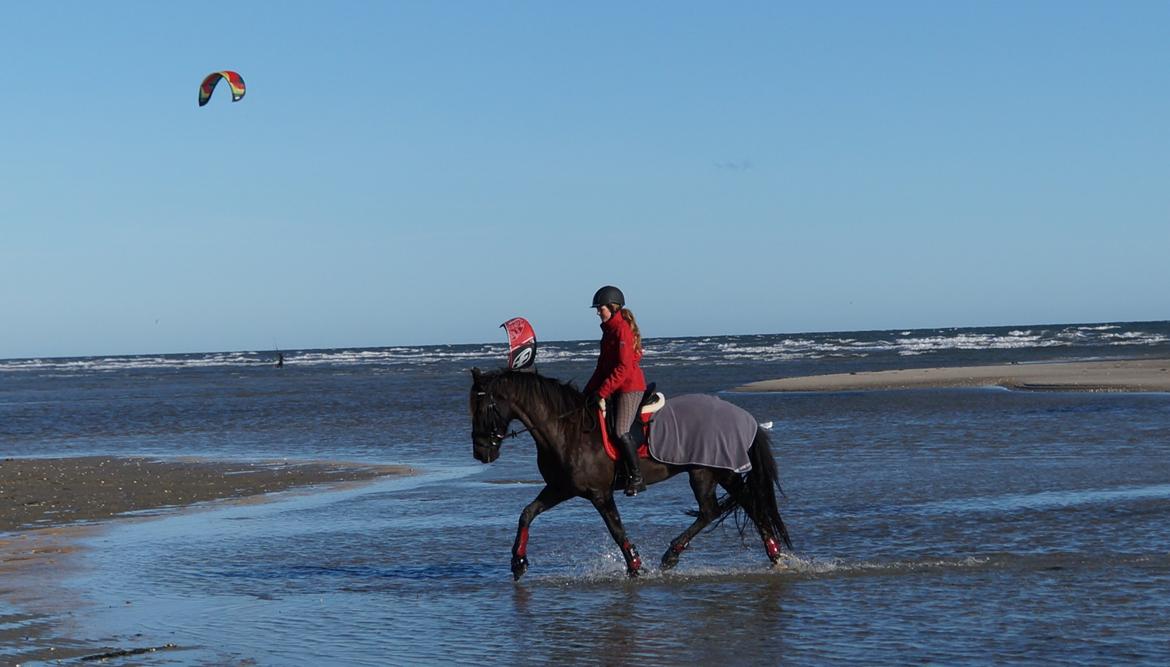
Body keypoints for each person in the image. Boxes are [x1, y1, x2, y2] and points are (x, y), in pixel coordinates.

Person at [584, 285, 647, 496]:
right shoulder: (608, 332)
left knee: (621, 431)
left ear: (612, 307)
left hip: (630, 388)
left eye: (600, 308)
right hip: (615, 387)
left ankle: (637, 477)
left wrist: (602, 392)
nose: (597, 312)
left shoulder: (622, 331)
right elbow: (602, 368)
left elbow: (623, 368)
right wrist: (587, 392)